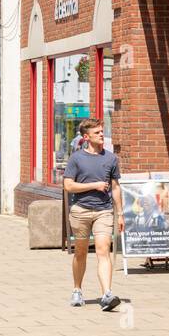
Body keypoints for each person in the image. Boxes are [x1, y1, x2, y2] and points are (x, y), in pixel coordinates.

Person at [64, 118, 123, 311]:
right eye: (97, 132)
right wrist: (94, 185)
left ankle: (107, 294)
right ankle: (77, 289)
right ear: (86, 137)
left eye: (101, 131)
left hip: (103, 211)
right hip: (80, 211)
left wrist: (120, 213)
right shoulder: (76, 158)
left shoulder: (111, 159)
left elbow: (115, 187)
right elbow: (68, 185)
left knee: (103, 250)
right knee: (81, 252)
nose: (101, 134)